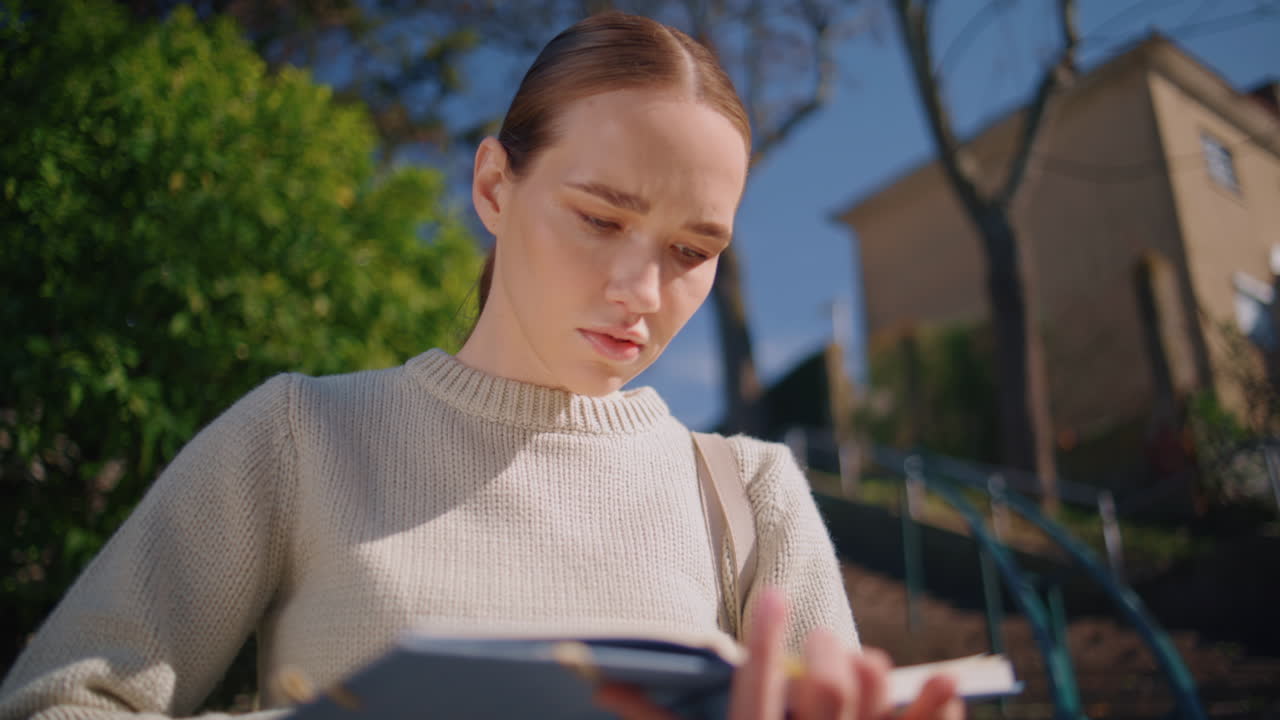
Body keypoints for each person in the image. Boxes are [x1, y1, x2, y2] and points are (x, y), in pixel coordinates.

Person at [0, 11, 961, 720]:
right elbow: (60, 703)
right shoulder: (299, 436)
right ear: (496, 185)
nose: (640, 287)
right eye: (600, 219)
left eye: (692, 249)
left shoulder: (753, 498)